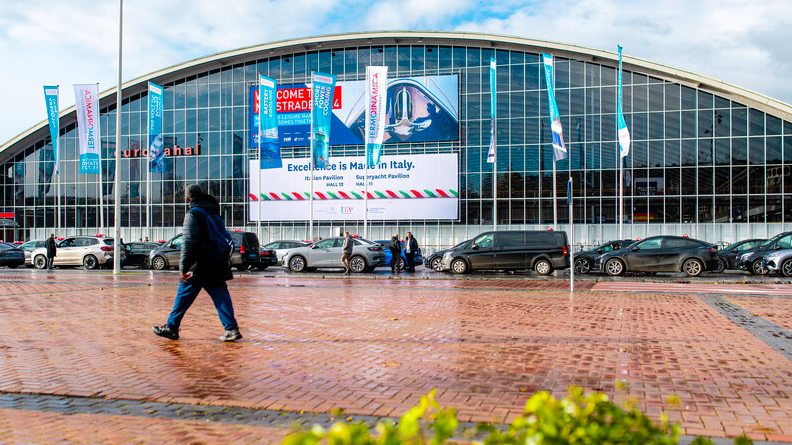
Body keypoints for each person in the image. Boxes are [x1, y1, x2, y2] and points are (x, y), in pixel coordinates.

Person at [153, 184, 242, 342]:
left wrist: (183, 268)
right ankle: (231, 329)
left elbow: (188, 243)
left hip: (199, 264)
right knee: (221, 295)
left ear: (188, 198)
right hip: (217, 262)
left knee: (183, 295)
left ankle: (172, 328)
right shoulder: (213, 212)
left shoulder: (193, 214)